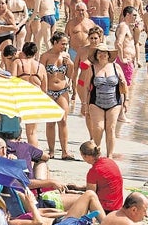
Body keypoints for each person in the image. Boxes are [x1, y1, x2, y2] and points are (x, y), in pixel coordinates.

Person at [81, 43, 127, 158]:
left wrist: (126, 101)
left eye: (104, 52)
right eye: (99, 52)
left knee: (111, 128)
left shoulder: (116, 67)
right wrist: (84, 104)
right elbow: (86, 87)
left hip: (114, 102)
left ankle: (110, 156)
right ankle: (97, 152)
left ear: (108, 54)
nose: (102, 55)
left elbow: (125, 85)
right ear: (96, 55)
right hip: (96, 102)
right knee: (99, 127)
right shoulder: (92, 68)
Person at [39, 31, 74, 160]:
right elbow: (41, 74)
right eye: (62, 44)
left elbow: (71, 75)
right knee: (50, 122)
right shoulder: (45, 56)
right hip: (49, 91)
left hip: (62, 90)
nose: (64, 46)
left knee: (63, 120)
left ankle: (65, 151)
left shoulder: (66, 56)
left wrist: (70, 63)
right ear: (55, 42)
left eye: (66, 44)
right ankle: (52, 150)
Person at [80, 140, 123, 214]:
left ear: (85, 156)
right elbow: (103, 185)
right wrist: (78, 188)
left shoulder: (93, 171)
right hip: (118, 205)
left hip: (105, 208)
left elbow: (90, 195)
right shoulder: (110, 161)